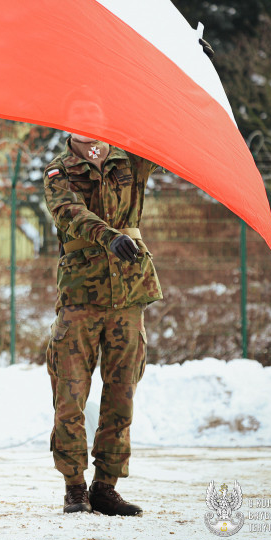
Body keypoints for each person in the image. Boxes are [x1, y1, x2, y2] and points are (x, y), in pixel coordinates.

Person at [42, 85, 161, 517]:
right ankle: (74, 486)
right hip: (81, 295)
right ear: (70, 130)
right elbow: (68, 213)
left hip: (129, 292)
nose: (91, 133)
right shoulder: (58, 170)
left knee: (122, 390)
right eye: (81, 126)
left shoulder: (130, 158)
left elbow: (162, 123)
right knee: (70, 392)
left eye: (96, 123)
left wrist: (188, 67)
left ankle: (106, 485)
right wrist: (108, 236)